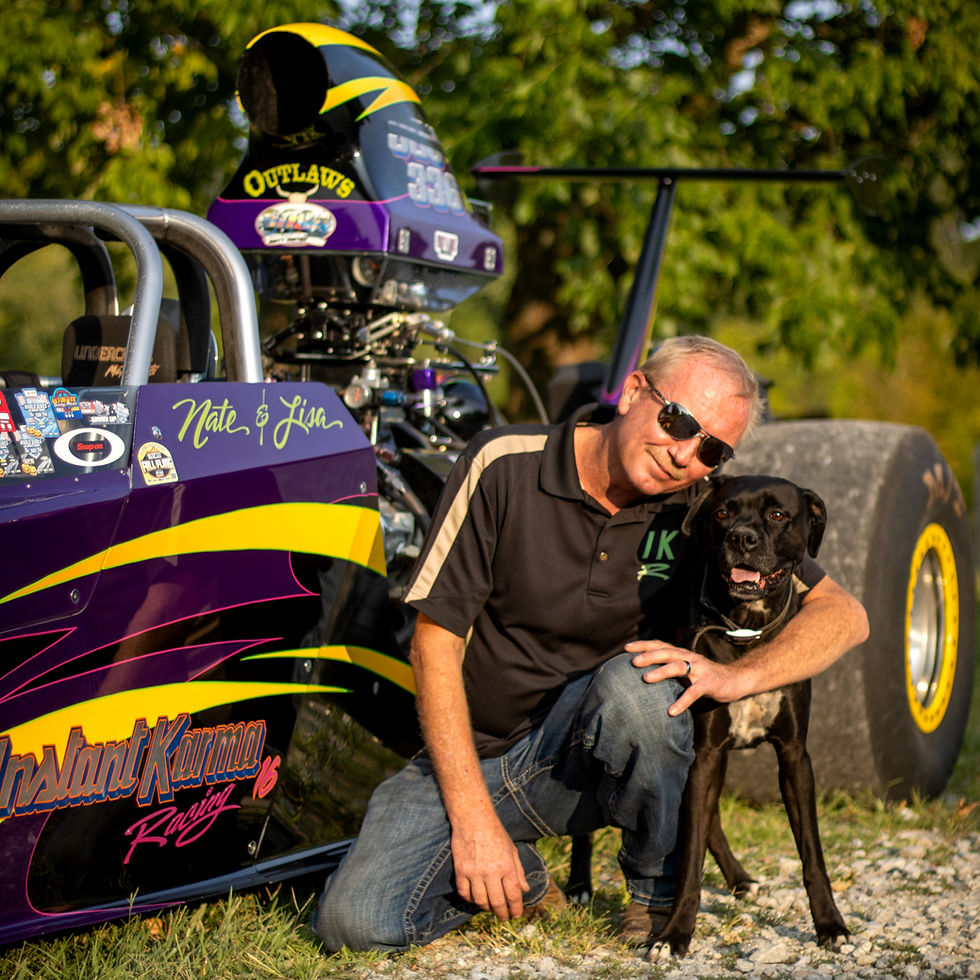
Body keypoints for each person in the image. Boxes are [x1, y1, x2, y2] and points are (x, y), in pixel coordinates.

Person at [314, 335, 869, 952]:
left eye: (711, 447)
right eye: (677, 420)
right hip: (474, 757)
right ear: (633, 391)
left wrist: (737, 678)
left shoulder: (706, 506)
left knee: (641, 688)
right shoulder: (505, 462)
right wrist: (471, 822)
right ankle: (521, 872)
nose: (684, 453)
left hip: (592, 759)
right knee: (353, 923)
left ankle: (656, 891)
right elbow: (435, 642)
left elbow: (846, 616)